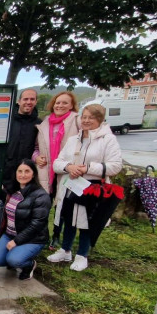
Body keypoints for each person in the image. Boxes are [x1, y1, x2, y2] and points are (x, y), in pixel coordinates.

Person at [47, 104, 122, 272]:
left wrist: (88, 168)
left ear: (100, 120)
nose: (86, 121)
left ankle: (82, 255)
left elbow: (115, 166)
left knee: (88, 220)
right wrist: (68, 167)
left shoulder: (107, 140)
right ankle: (65, 250)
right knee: (68, 217)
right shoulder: (74, 139)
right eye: (84, 117)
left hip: (92, 187)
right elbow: (57, 162)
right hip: (71, 185)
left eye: (91, 118)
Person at [34, 91, 80, 248]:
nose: (60, 105)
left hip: (67, 170)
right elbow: (36, 148)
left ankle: (57, 235)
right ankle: (42, 234)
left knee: (63, 205)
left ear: (72, 105)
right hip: (46, 170)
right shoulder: (45, 123)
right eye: (57, 102)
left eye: (64, 103)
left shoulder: (77, 121)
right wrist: (36, 157)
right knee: (45, 202)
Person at [0, 160, 51, 280]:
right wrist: (0, 191)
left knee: (14, 260)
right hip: (10, 235)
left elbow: (37, 224)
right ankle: (13, 255)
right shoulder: (13, 191)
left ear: (33, 174)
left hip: (32, 239)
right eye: (20, 171)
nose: (23, 175)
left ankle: (29, 265)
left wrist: (16, 241)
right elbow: (10, 208)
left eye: (27, 171)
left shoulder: (41, 196)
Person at [0, 89, 42, 190]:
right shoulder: (5, 120)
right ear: (19, 101)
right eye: (25, 99)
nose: (28, 102)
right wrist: (1, 161)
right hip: (4, 174)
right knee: (2, 204)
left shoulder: (39, 124)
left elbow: (39, 147)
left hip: (25, 176)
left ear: (36, 101)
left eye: (32, 99)